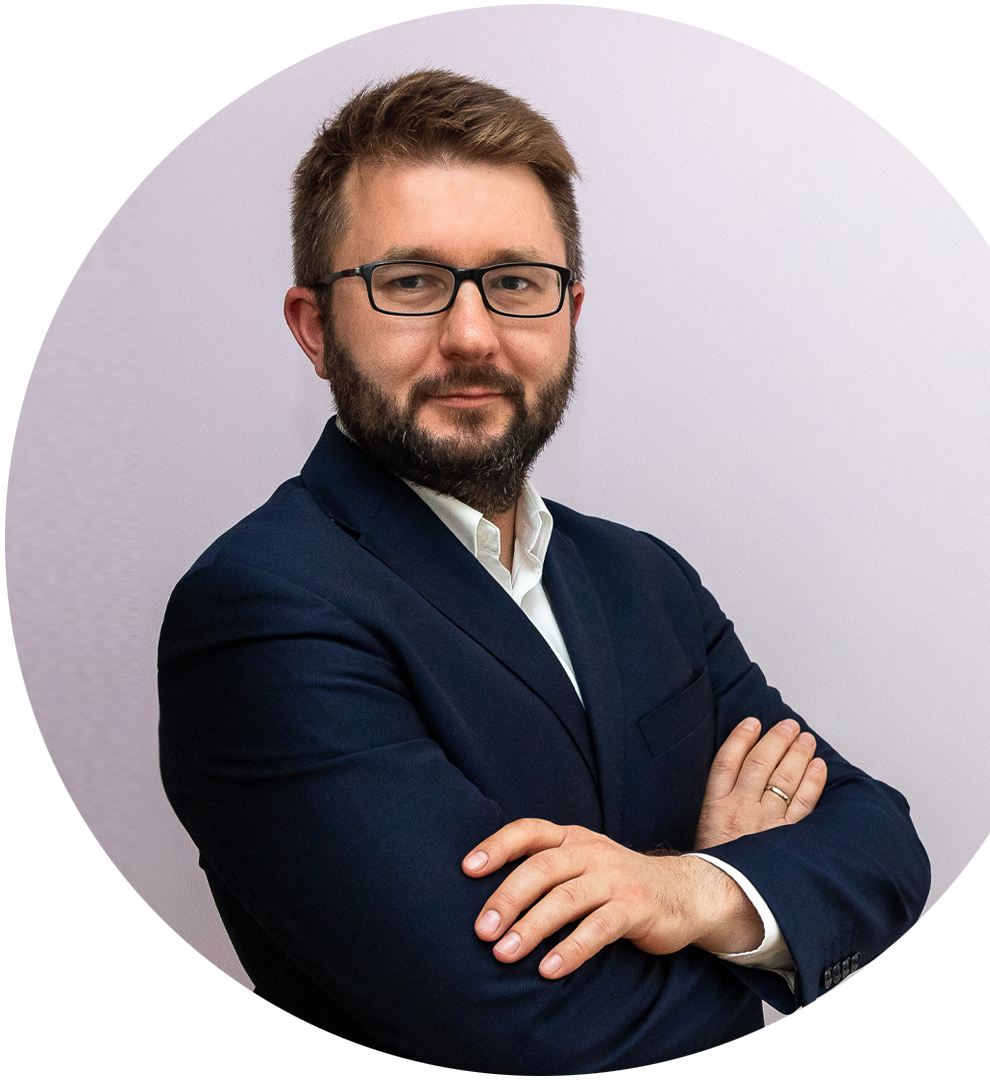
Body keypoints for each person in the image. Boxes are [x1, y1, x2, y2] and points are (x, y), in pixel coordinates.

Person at [158, 69, 930, 1073]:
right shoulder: (262, 610)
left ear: (569, 310)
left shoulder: (646, 579)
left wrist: (694, 891)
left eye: (516, 283)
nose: (472, 336)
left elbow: (882, 845)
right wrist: (751, 913)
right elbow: (523, 1030)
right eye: (410, 282)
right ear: (315, 327)